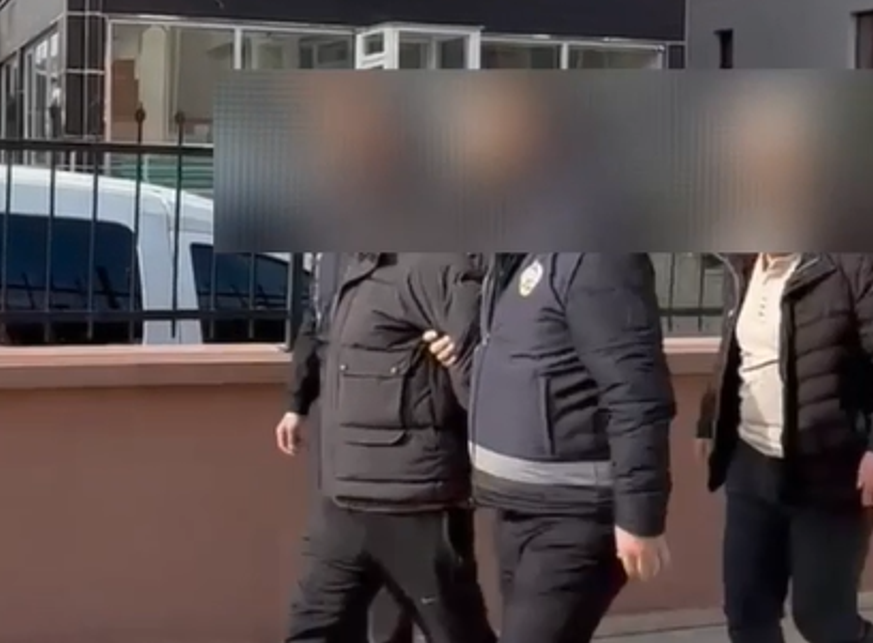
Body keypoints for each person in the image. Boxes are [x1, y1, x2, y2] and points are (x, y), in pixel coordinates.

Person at [425, 253, 675, 643]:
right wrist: (459, 356)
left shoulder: (598, 259)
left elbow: (636, 394)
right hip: (517, 506)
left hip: (574, 514)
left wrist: (639, 518)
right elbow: (509, 372)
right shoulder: (515, 260)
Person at [284, 253, 494, 643]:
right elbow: (317, 328)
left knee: (456, 630)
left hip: (413, 501)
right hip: (343, 498)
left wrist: (464, 351)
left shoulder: (436, 265)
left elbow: (485, 378)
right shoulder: (346, 260)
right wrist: (297, 401)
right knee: (313, 629)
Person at [696, 253, 873, 643]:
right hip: (750, 463)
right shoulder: (742, 266)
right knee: (747, 613)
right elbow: (734, 351)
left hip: (827, 469)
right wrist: (710, 419)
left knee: (824, 620)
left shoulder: (849, 263)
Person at [277, 252, 419, 643]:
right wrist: (296, 403)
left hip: (394, 428)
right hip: (336, 427)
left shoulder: (413, 250)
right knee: (331, 577)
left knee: (399, 573)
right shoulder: (331, 253)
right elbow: (315, 322)